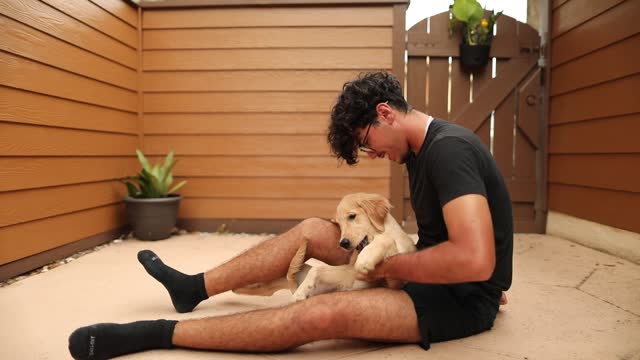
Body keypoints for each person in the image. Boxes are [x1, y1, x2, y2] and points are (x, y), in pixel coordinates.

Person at [68, 71, 513, 359]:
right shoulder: (420, 152)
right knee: (315, 231)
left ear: (384, 114)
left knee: (318, 316)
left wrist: (386, 267)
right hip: (432, 276)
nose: (372, 153)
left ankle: (160, 333)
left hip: (459, 303)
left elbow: (475, 259)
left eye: (366, 142)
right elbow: (468, 242)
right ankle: (192, 289)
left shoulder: (449, 151)